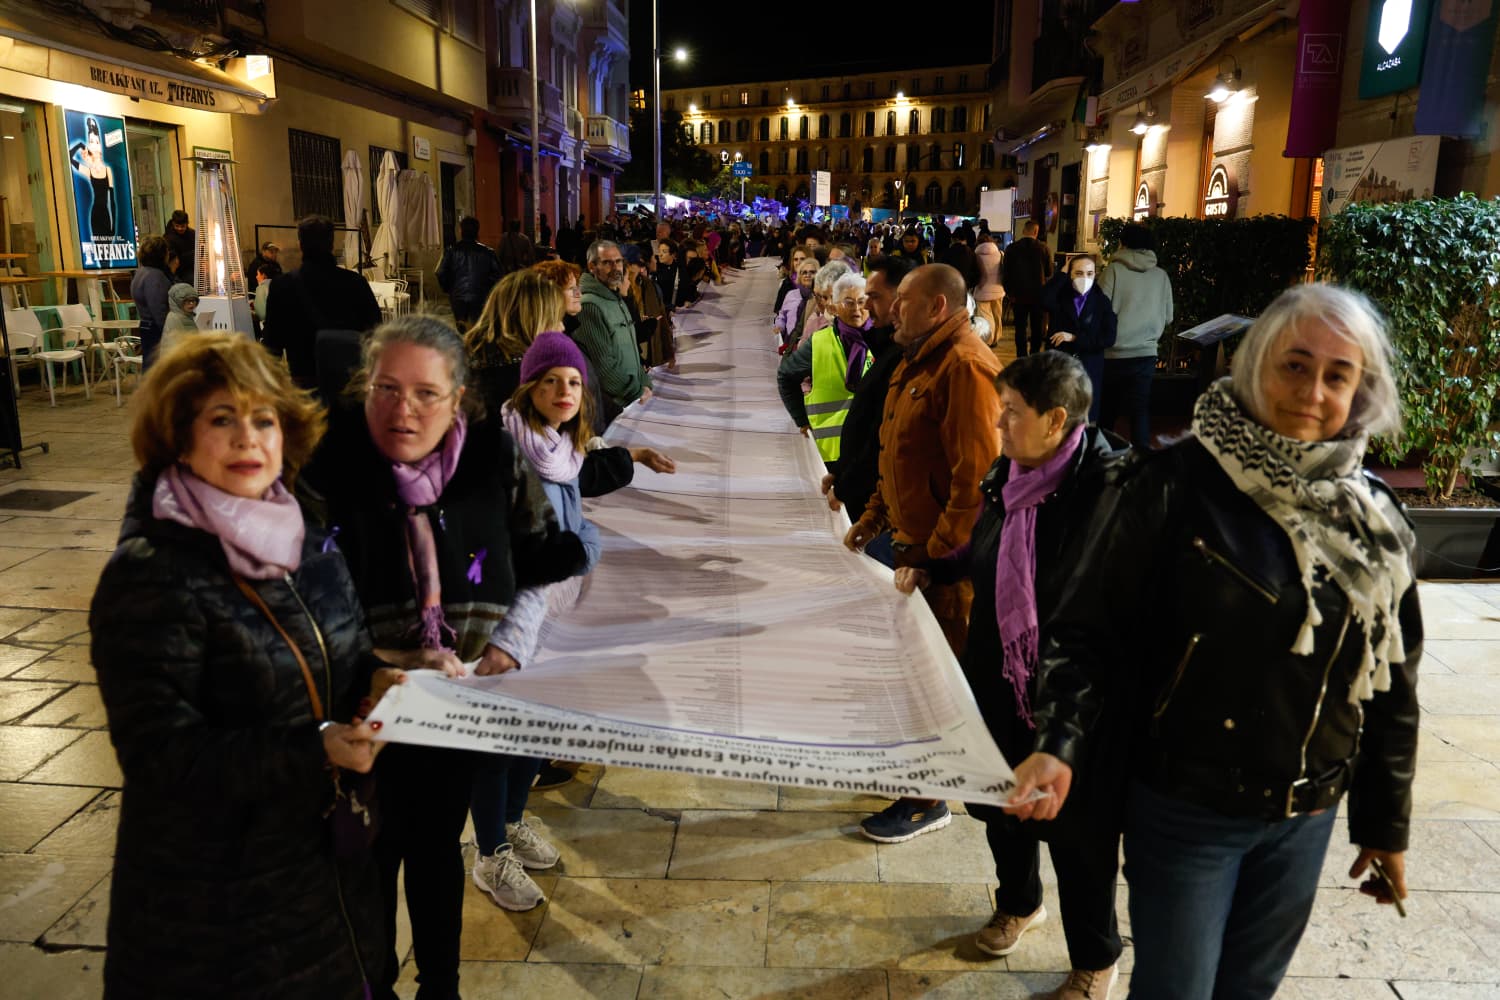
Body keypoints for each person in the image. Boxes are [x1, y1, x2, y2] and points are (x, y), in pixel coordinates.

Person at [1009, 283, 1422, 1000]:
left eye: (1337, 375)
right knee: (1177, 990)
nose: (1313, 391)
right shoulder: (1164, 487)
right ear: (1256, 363)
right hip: (1188, 808)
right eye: (1294, 365)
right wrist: (1059, 739)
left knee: (1248, 991)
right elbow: (1085, 633)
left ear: (1361, 389)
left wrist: (1384, 822)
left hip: (1305, 813)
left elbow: (1390, 679)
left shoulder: (1371, 515)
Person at [90, 332, 389, 1000]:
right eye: (222, 420)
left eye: (263, 420)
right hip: (219, 910)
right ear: (178, 437)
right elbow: (161, 755)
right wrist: (313, 750)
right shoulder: (153, 574)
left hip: (322, 880)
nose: (248, 439)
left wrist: (373, 678)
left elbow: (336, 648)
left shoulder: (301, 532)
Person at [300, 316, 589, 1000]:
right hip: (359, 700)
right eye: (386, 389)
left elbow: (538, 555)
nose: (405, 410)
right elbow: (301, 591)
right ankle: (372, 985)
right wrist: (367, 669)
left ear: (459, 398)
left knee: (434, 849)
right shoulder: (329, 465)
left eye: (427, 393)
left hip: (453, 697)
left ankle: (442, 987)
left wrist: (507, 643)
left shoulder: (490, 458)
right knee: (367, 854)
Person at [896, 351, 1128, 1000]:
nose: (998, 423)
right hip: (1001, 673)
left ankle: (1095, 958)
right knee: (1004, 807)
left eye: (1012, 413)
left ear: (1056, 420)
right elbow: (986, 550)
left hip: (1071, 698)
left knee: (1077, 836)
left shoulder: (1109, 492)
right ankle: (1019, 903)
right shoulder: (1012, 472)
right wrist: (937, 568)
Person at [845, 263, 1001, 842]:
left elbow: (975, 482)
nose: (890, 308)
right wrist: (872, 518)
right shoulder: (918, 359)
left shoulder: (964, 367)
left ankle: (929, 797)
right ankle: (916, 774)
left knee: (941, 676)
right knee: (916, 674)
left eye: (903, 299)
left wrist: (932, 558)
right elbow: (899, 452)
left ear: (938, 305)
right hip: (912, 548)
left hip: (944, 565)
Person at [822, 255, 914, 532]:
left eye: (872, 297)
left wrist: (848, 485)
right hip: (868, 494)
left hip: (887, 505)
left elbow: (884, 437)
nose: (865, 307)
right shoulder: (887, 345)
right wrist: (840, 470)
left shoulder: (907, 356)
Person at [262, 215, 383, 390]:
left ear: (300, 244)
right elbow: (375, 333)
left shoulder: (283, 286)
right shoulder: (355, 283)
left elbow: (272, 344)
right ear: (331, 244)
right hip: (349, 386)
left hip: (304, 386)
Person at [777, 271, 873, 469]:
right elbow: (785, 375)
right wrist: (801, 420)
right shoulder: (819, 342)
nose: (857, 309)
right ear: (835, 307)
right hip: (832, 451)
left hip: (873, 448)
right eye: (849, 302)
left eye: (862, 302)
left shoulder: (883, 340)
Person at [1098, 223, 1173, 448]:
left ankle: (1102, 460)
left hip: (1113, 353)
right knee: (1139, 412)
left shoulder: (1113, 271)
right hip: (1146, 353)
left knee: (1107, 411)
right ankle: (1142, 464)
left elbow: (1101, 309)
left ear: (1124, 243)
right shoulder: (1161, 276)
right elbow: (1169, 316)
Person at [575, 240, 653, 418]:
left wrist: (644, 381)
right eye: (607, 262)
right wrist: (636, 389)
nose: (615, 267)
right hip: (613, 406)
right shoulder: (590, 305)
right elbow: (603, 364)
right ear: (592, 266)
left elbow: (632, 350)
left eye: (618, 261)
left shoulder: (615, 298)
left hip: (631, 400)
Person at [1043, 254, 1116, 424]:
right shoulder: (1061, 297)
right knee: (1059, 418)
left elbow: (1108, 337)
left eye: (1089, 273)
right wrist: (1061, 274)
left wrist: (1075, 338)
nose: (1085, 278)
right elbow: (1043, 299)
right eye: (1079, 273)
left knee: (1086, 420)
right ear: (1070, 274)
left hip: (1089, 368)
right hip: (1061, 367)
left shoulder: (1101, 301)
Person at [435, 216, 502, 327]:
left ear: (461, 230)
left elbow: (440, 272)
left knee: (461, 326)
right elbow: (498, 275)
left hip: (458, 296)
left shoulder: (451, 250)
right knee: (478, 326)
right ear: (477, 230)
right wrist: (488, 289)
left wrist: (448, 288)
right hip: (480, 296)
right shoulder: (488, 252)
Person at [1003, 220, 1053, 357]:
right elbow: (1049, 272)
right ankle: (1035, 354)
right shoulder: (1044, 248)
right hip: (1038, 295)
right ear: (1036, 232)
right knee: (1037, 328)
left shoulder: (1012, 248)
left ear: (1024, 231)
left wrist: (1009, 292)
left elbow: (1005, 272)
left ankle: (1021, 355)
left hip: (1018, 295)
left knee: (1020, 328)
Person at [68, 116, 116, 245]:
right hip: (95, 214)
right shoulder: (89, 171)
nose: (93, 145)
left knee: (107, 253)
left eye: (96, 141)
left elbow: (112, 201)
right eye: (91, 141)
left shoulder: (107, 170)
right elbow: (70, 158)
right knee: (100, 252)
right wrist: (80, 145)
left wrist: (114, 226)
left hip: (106, 214)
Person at [130, 235, 173, 367]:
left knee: (149, 366)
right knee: (157, 369)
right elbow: (158, 308)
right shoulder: (155, 276)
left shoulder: (140, 272)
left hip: (145, 325)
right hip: (156, 328)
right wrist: (169, 331)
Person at [776, 255, 820, 349]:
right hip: (789, 342)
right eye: (804, 272)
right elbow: (782, 316)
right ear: (799, 276)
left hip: (810, 345)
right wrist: (779, 326)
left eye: (812, 272)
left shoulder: (820, 298)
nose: (807, 275)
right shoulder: (791, 294)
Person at [973, 240, 1005, 350]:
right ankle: (996, 337)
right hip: (999, 289)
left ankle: (989, 340)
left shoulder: (976, 256)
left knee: (986, 316)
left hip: (982, 290)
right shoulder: (1000, 254)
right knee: (997, 315)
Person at [159, 283, 200, 356]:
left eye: (194, 301)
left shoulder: (186, 316)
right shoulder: (174, 318)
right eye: (187, 301)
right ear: (177, 302)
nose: (191, 304)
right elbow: (175, 347)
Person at [164, 210, 196, 284]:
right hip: (179, 272)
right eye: (177, 226)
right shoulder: (168, 238)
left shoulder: (193, 234)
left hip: (193, 268)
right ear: (173, 223)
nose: (180, 229)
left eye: (182, 226)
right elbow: (174, 260)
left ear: (187, 224)